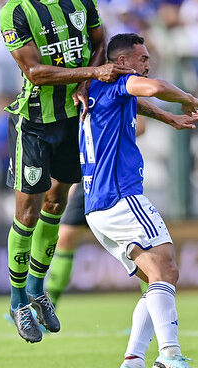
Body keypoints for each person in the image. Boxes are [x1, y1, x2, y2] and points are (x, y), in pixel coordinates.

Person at [0, 0, 135, 342]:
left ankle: (39, 292)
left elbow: (99, 42)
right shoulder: (14, 14)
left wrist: (86, 82)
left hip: (72, 120)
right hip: (34, 122)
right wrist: (90, 75)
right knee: (28, 212)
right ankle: (17, 300)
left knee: (56, 205)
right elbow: (35, 73)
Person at [79, 33, 198, 368]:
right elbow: (150, 89)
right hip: (121, 195)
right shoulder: (120, 83)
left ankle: (134, 360)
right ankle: (169, 355)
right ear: (121, 62)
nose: (147, 66)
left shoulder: (91, 90)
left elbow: (136, 100)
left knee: (156, 278)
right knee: (166, 269)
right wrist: (187, 98)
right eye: (142, 59)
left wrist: (168, 119)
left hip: (97, 207)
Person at [46, 115, 145, 307]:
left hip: (114, 173)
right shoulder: (80, 89)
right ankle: (46, 308)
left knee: (135, 244)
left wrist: (106, 141)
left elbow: (140, 125)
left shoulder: (122, 85)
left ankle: (153, 310)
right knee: (65, 237)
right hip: (89, 175)